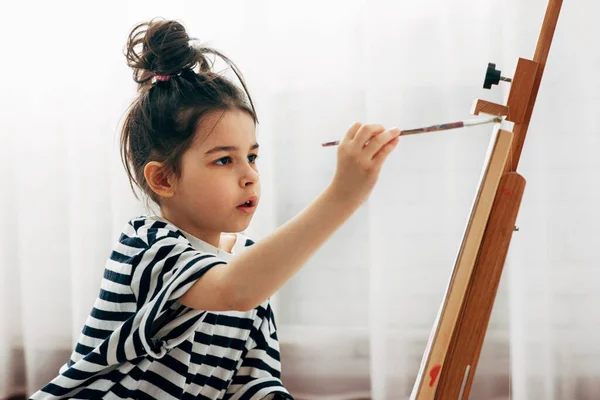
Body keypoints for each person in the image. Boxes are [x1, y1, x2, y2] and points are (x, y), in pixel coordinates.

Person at [30, 18, 401, 400]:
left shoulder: (251, 274)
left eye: (252, 157)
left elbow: (255, 386)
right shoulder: (147, 246)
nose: (250, 176)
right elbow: (233, 289)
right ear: (163, 180)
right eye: (224, 160)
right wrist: (344, 195)